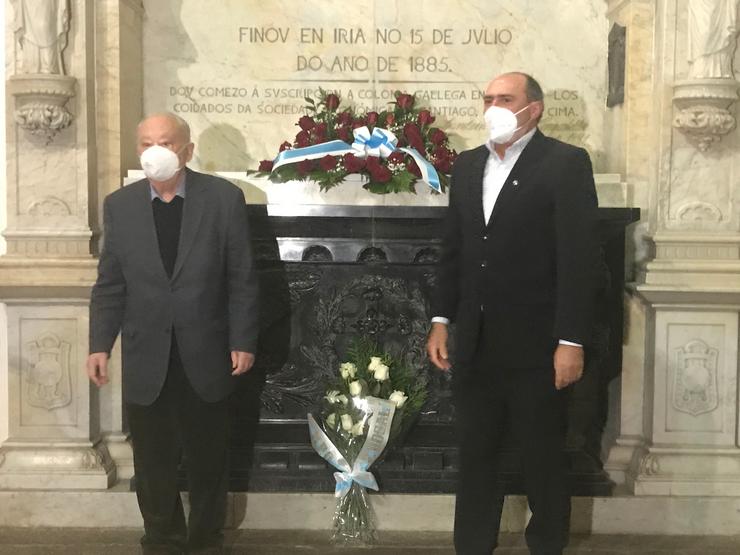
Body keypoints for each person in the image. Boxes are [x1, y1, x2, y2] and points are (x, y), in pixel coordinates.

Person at [427, 72, 600, 555]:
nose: (494, 107)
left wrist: (572, 339)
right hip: (476, 341)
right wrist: (441, 318)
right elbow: (454, 249)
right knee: (476, 455)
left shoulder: (565, 163)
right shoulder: (467, 165)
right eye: (488, 99)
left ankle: (546, 545)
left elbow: (579, 257)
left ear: (534, 108)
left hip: (539, 344)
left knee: (541, 458)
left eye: (506, 98)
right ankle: (473, 546)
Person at [87, 112, 259, 554]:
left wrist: (243, 339)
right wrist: (99, 345)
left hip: (208, 352)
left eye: (164, 142)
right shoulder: (120, 205)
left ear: (187, 150)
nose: (154, 151)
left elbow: (241, 276)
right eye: (145, 143)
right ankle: (161, 539)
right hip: (148, 355)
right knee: (153, 461)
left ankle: (205, 540)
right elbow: (110, 283)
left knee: (207, 460)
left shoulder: (223, 199)